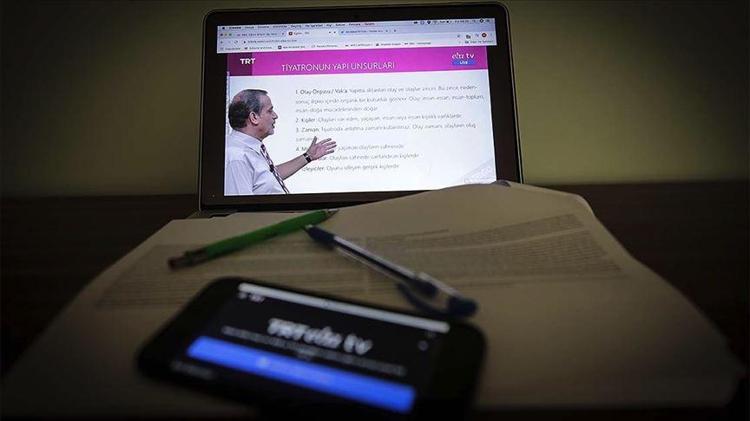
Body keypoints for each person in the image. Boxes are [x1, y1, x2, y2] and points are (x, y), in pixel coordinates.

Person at [224, 89, 336, 195]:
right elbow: (241, 206)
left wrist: (308, 156)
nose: (275, 116)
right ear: (254, 117)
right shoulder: (237, 157)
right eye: (270, 111)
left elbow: (266, 178)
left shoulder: (247, 147)